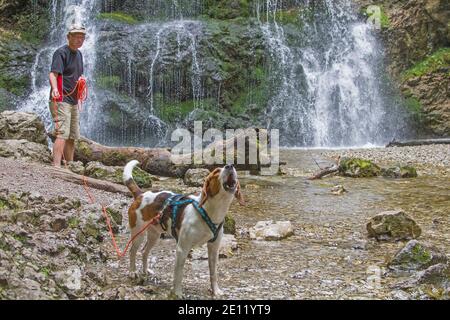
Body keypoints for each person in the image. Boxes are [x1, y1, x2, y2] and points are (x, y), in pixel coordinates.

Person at [48, 24, 86, 167]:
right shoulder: (61, 52)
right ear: (68, 37)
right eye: (76, 36)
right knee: (62, 133)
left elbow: (78, 74)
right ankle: (56, 166)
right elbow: (53, 73)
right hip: (61, 98)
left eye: (82, 37)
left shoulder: (79, 54)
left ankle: (70, 165)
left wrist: (82, 81)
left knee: (72, 135)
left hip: (74, 100)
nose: (79, 40)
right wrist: (54, 88)